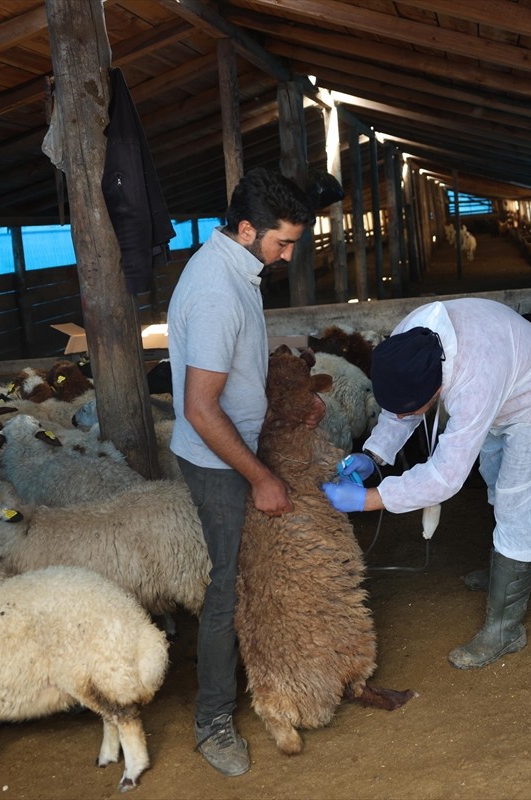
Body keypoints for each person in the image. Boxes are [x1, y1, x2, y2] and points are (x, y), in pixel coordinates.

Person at [322, 297, 531, 670]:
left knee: (514, 501)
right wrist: (374, 453)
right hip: (502, 388)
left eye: (418, 408)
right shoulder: (408, 342)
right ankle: (509, 574)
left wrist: (371, 500)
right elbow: (403, 407)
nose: (409, 415)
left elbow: (445, 477)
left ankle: (505, 630)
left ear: (438, 390)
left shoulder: (474, 378)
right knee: (495, 480)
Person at [167, 167, 313, 776]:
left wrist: (287, 397)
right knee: (226, 586)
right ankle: (213, 722)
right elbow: (200, 409)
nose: (287, 255)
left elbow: (238, 368)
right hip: (217, 459)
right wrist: (259, 476)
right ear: (247, 228)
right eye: (282, 243)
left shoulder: (240, 270)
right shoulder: (215, 292)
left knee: (252, 572)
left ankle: (273, 675)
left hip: (240, 439)